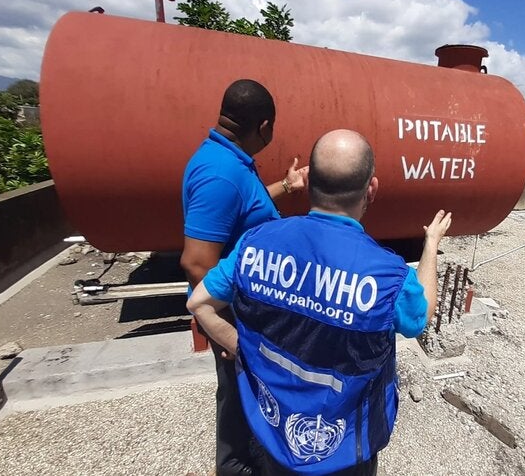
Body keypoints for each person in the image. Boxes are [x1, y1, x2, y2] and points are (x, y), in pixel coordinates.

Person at [187, 129, 452, 475]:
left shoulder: (254, 242)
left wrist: (242, 346)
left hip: (274, 435)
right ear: (371, 188)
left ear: (309, 184)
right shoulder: (389, 275)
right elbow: (421, 318)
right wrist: (430, 245)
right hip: (347, 449)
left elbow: (199, 304)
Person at [181, 79, 308, 476]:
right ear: (264, 126)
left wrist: (286, 187)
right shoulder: (220, 174)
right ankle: (235, 469)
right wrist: (231, 327)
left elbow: (246, 208)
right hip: (237, 322)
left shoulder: (230, 161)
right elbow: (197, 263)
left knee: (250, 398)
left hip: (244, 315)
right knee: (236, 405)